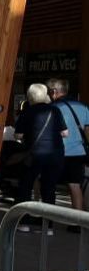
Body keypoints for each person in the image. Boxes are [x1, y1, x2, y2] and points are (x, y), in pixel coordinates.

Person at [15, 83, 68, 232]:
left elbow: (18, 135)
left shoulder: (27, 112)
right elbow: (65, 133)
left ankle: (23, 223)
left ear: (29, 96)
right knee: (49, 189)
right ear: (45, 95)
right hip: (55, 155)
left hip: (34, 155)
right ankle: (47, 226)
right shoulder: (55, 110)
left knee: (25, 186)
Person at [47, 78, 89, 212]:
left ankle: (49, 219)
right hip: (79, 152)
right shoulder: (83, 107)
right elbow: (87, 132)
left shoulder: (54, 108)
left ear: (54, 92)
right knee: (75, 186)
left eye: (49, 92)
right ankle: (79, 221)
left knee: (49, 185)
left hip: (60, 152)